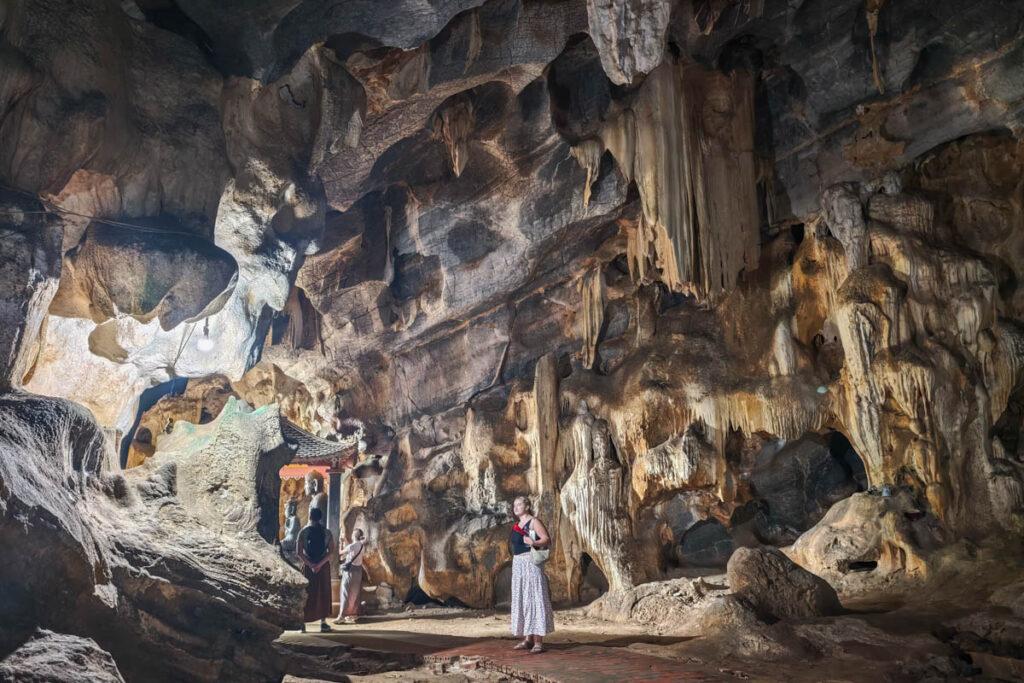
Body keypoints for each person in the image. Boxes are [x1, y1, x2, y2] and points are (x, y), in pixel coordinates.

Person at [509, 496, 554, 653]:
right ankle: (527, 639)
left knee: (534, 598)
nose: (516, 507)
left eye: (519, 504)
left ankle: (538, 642)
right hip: (518, 564)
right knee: (523, 598)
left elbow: (546, 540)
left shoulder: (533, 522)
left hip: (530, 563)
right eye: (514, 505)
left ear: (527, 506)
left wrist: (534, 542)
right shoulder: (517, 525)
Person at [297, 507, 335, 632]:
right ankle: (323, 623)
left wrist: (311, 565)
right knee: (323, 592)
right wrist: (319, 564)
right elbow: (331, 551)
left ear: (310, 516)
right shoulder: (327, 532)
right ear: (320, 518)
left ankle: (303, 623)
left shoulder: (303, 532)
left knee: (307, 593)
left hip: (308, 566)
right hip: (323, 567)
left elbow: (299, 552)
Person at [333, 528, 367, 624]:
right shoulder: (362, 546)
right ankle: (353, 614)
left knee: (345, 592)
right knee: (355, 593)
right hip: (358, 571)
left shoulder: (352, 546)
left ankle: (341, 616)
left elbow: (340, 553)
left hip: (350, 571)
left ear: (354, 536)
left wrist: (340, 543)